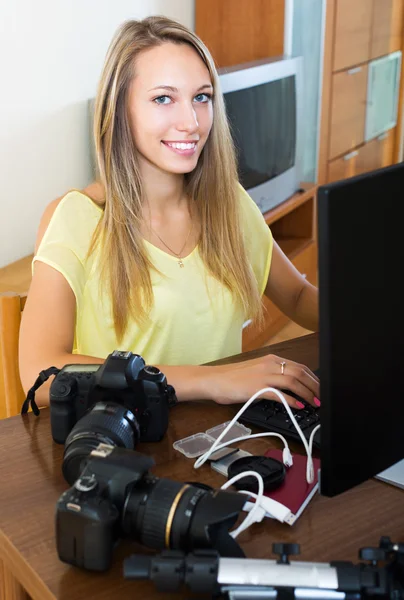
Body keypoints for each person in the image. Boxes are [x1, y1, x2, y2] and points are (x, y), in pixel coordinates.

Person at [19, 16, 320, 409]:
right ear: (121, 109)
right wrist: (211, 380)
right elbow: (42, 374)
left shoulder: (228, 203)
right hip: (123, 443)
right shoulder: (77, 218)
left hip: (224, 433)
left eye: (202, 97)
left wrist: (376, 313)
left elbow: (296, 295)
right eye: (163, 98)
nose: (191, 122)